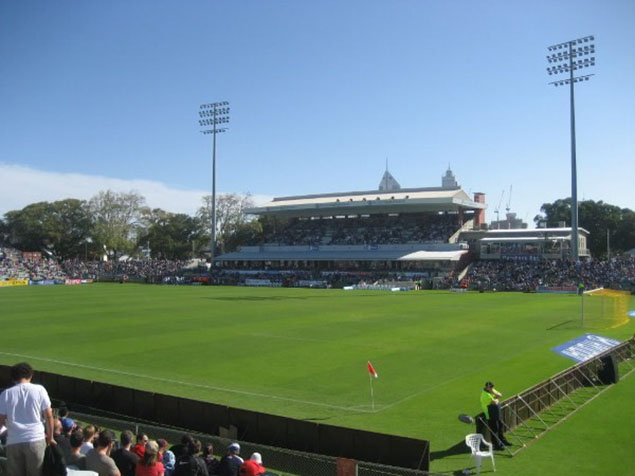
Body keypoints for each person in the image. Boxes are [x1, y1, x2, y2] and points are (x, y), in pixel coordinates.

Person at [0, 362, 55, 476]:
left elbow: (1, 420)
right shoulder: (39, 390)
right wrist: (50, 437)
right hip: (35, 439)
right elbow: (48, 415)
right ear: (30, 375)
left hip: (14, 441)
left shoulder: (6, 394)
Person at [480, 381, 511, 450]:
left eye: (492, 387)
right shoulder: (485, 395)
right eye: (490, 387)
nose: (491, 388)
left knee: (500, 426)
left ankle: (503, 441)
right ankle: (497, 445)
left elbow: (500, 395)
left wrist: (493, 393)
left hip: (496, 412)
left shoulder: (492, 390)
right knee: (494, 429)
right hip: (490, 414)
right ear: (486, 387)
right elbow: (495, 402)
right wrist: (496, 397)